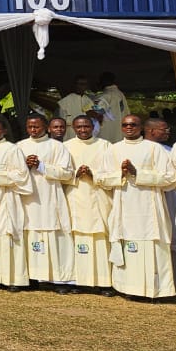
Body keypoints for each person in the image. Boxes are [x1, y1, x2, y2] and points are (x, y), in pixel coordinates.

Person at [108, 115, 175, 299]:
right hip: (124, 205)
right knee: (129, 246)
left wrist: (138, 173)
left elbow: (170, 178)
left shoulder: (154, 149)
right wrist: (120, 174)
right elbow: (102, 178)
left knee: (152, 247)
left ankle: (155, 290)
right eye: (125, 124)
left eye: (133, 124)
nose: (129, 127)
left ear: (141, 128)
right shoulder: (113, 149)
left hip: (150, 206)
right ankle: (128, 289)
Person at [17, 113, 76, 291]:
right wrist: (25, 167)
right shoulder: (19, 147)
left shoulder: (57, 147)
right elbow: (12, 173)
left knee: (55, 237)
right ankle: (32, 277)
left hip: (50, 197)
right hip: (28, 199)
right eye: (30, 127)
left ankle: (59, 279)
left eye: (37, 127)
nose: (33, 130)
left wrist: (42, 166)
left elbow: (67, 173)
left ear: (46, 127)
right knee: (30, 235)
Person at [64, 115, 117, 293]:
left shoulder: (105, 146)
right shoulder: (66, 147)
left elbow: (112, 172)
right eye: (79, 127)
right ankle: (79, 281)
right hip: (76, 195)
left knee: (101, 238)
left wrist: (94, 174)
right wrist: (76, 175)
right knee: (78, 236)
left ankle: (104, 282)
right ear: (73, 128)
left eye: (86, 126)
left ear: (92, 127)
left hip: (99, 196)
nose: (83, 130)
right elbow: (61, 174)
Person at [0, 119, 31, 291]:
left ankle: (13, 278)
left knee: (8, 234)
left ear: (4, 131)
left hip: (6, 197)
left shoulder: (12, 149)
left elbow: (22, 176)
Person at [94, 72, 128, 144]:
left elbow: (97, 112)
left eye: (100, 81)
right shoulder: (121, 95)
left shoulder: (105, 96)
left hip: (107, 137)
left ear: (104, 81)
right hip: (120, 136)